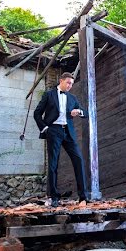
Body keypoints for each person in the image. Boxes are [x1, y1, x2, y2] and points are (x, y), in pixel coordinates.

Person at [33, 72, 88, 207]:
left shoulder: (72, 98)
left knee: (79, 160)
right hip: (54, 131)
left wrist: (78, 112)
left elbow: (84, 112)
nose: (70, 86)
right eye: (68, 83)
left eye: (72, 84)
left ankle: (83, 197)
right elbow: (37, 113)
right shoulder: (49, 95)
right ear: (61, 81)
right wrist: (45, 129)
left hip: (68, 132)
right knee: (53, 164)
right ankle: (54, 197)